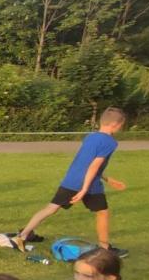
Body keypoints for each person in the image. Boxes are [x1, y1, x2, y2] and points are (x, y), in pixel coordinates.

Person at [13, 108, 127, 252]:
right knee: (102, 213)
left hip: (71, 179)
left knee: (51, 208)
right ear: (115, 124)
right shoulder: (110, 142)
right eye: (121, 125)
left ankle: (23, 235)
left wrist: (107, 179)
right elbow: (93, 166)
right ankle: (104, 248)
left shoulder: (90, 137)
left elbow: (86, 162)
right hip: (89, 184)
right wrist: (84, 189)